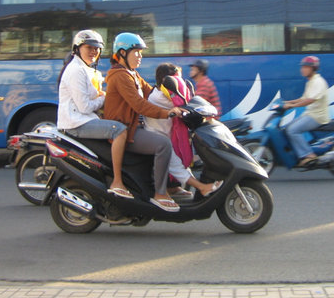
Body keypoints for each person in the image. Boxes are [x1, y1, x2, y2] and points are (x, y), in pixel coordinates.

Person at [103, 33, 183, 212]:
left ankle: (169, 185)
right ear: (123, 53)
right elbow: (140, 105)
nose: (140, 56)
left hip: (133, 127)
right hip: (124, 129)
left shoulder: (132, 74)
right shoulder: (120, 76)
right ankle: (160, 194)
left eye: (141, 52)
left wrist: (179, 100)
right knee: (163, 144)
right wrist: (167, 113)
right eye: (136, 52)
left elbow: (151, 93)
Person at [57, 30, 131, 199]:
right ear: (77, 49)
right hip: (77, 123)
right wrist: (104, 98)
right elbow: (84, 107)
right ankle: (117, 182)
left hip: (85, 119)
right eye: (89, 48)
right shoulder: (76, 70)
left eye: (96, 49)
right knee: (119, 130)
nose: (93, 52)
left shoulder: (87, 69)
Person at [144, 63, 222, 199]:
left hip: (163, 134)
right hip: (156, 137)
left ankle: (174, 188)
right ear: (167, 81)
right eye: (177, 80)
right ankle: (202, 188)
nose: (181, 84)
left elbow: (189, 101)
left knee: (180, 159)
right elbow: (183, 105)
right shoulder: (163, 96)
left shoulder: (164, 93)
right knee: (175, 162)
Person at [283, 56, 330, 167]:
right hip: (310, 114)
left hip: (317, 116)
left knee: (292, 130)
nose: (302, 70)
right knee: (286, 129)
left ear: (313, 68)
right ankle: (300, 153)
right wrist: (286, 102)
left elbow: (310, 100)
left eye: (306, 67)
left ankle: (309, 155)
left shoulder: (318, 82)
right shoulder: (310, 82)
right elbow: (303, 98)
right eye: (302, 67)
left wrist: (291, 106)